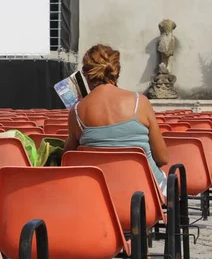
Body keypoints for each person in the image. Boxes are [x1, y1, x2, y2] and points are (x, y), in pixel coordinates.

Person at [64, 44, 169, 195]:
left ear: (86, 75)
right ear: (116, 71)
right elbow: (163, 158)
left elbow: (68, 159)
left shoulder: (77, 111)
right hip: (145, 196)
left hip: (99, 195)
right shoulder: (141, 102)